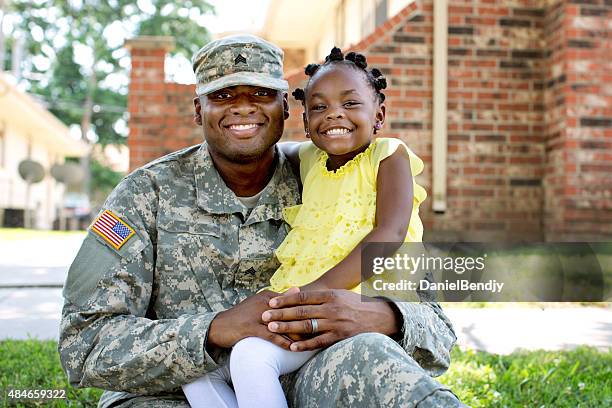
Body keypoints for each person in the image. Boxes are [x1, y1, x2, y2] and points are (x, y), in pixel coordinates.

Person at [58, 34, 463, 407]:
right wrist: (213, 330)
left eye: (261, 93)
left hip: (308, 379)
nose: (243, 106)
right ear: (199, 109)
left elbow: (438, 329)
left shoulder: (336, 178)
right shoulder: (146, 193)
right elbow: (83, 342)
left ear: (286, 107)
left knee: (375, 364)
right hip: (176, 393)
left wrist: (384, 315)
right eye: (224, 95)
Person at [183, 46, 431, 408]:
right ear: (303, 117)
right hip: (303, 304)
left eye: (349, 104)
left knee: (252, 358)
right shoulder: (311, 159)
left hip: (354, 303)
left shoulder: (389, 155)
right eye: (319, 107)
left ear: (379, 114)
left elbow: (389, 235)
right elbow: (267, 149)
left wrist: (311, 294)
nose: (334, 115)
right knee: (197, 370)